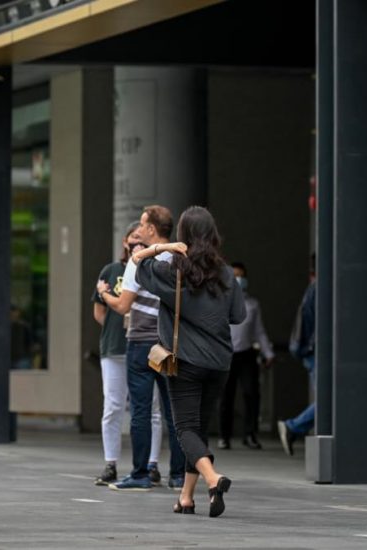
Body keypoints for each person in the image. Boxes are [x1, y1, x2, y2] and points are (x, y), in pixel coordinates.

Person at [133, 205, 246, 517]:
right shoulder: (225, 273)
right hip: (220, 363)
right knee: (198, 428)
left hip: (185, 361)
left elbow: (137, 263)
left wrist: (162, 247)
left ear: (182, 234)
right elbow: (238, 316)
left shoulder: (174, 271)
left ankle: (213, 479)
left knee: (184, 428)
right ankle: (186, 497)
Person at [98, 205, 185, 491]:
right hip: (169, 343)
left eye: (144, 224)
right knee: (172, 411)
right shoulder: (177, 258)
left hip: (141, 343)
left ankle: (140, 473)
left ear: (150, 229)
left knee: (141, 409)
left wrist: (105, 294)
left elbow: (123, 305)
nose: (140, 228)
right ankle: (177, 475)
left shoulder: (139, 261)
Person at [92, 221, 164, 486]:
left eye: (141, 239)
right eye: (133, 238)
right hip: (114, 347)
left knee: (150, 407)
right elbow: (99, 312)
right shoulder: (112, 270)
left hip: (145, 345)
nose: (137, 243)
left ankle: (152, 464)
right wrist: (115, 327)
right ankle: (110, 463)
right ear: (125, 242)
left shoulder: (151, 268)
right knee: (112, 406)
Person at [218, 262, 274, 450]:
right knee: (226, 396)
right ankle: (224, 436)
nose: (238, 280)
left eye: (241, 276)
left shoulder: (252, 304)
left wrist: (268, 353)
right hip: (226, 353)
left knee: (251, 394)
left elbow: (259, 331)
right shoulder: (220, 300)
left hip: (246, 354)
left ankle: (250, 434)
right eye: (234, 276)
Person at [277, 254, 316, 456]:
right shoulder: (318, 289)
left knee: (330, 401)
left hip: (311, 351)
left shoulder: (314, 289)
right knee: (331, 402)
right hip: (315, 352)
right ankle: (293, 427)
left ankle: (293, 427)